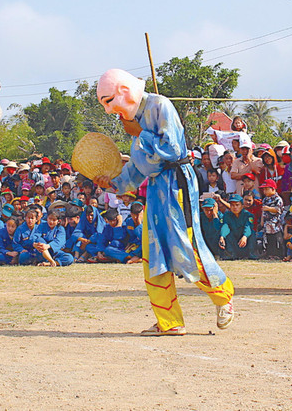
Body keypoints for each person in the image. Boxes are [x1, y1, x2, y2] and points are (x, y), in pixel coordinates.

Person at [94, 68, 234, 336]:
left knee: (185, 247)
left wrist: (141, 133)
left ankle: (223, 296)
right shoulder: (134, 120)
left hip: (177, 185)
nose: (109, 110)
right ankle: (169, 321)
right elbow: (138, 168)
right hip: (156, 189)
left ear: (124, 91)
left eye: (109, 101)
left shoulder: (160, 106)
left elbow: (173, 150)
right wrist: (112, 184)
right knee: (153, 254)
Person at [219, 194, 255, 260]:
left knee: (252, 233)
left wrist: (245, 236)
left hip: (245, 241)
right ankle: (231, 254)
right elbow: (225, 226)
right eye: (232, 205)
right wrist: (222, 236)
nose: (234, 207)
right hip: (235, 241)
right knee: (227, 234)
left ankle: (251, 254)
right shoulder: (227, 215)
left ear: (242, 206)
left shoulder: (248, 215)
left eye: (237, 205)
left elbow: (248, 227)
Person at [259, 179, 284, 259]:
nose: (264, 191)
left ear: (273, 189)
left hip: (275, 224)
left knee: (277, 239)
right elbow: (263, 211)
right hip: (267, 224)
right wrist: (262, 221)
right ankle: (269, 254)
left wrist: (269, 209)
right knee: (268, 240)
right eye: (264, 189)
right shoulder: (265, 199)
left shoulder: (278, 199)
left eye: (266, 189)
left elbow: (279, 209)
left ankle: (278, 255)